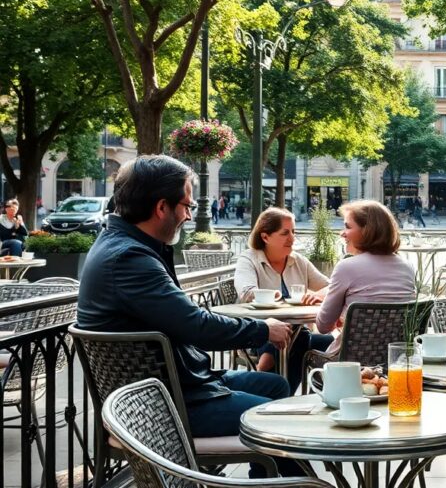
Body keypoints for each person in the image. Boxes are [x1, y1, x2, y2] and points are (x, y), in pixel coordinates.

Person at [75, 155, 296, 475]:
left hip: (180, 385)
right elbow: (196, 326)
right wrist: (262, 330)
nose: (190, 215)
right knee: (283, 422)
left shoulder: (124, 245)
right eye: (187, 206)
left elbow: (184, 317)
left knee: (275, 387)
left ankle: (264, 475)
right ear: (161, 207)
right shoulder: (130, 259)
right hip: (165, 404)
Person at [234, 207, 334, 392]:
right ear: (265, 237)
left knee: (328, 341)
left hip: (295, 333)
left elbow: (332, 287)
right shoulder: (249, 259)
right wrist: (277, 297)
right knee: (298, 336)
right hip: (259, 334)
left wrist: (317, 295)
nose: (292, 238)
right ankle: (280, 390)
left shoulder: (299, 261)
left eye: (293, 231)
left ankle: (302, 393)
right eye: (285, 233)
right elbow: (247, 293)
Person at [316, 200, 416, 351]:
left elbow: (323, 326)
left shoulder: (346, 267)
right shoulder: (407, 267)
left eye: (348, 227)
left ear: (367, 231)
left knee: (301, 345)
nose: (342, 233)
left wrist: (342, 314)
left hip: (349, 361)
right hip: (396, 359)